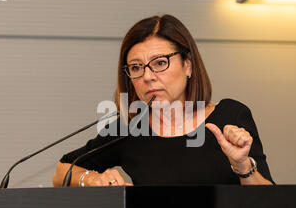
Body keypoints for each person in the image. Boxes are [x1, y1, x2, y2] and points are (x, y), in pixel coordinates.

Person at [52, 14, 274, 187]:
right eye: (136, 67)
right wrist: (92, 179)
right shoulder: (130, 131)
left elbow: (270, 204)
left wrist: (242, 165)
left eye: (160, 63)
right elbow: (62, 171)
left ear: (188, 65)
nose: (148, 76)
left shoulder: (230, 116)